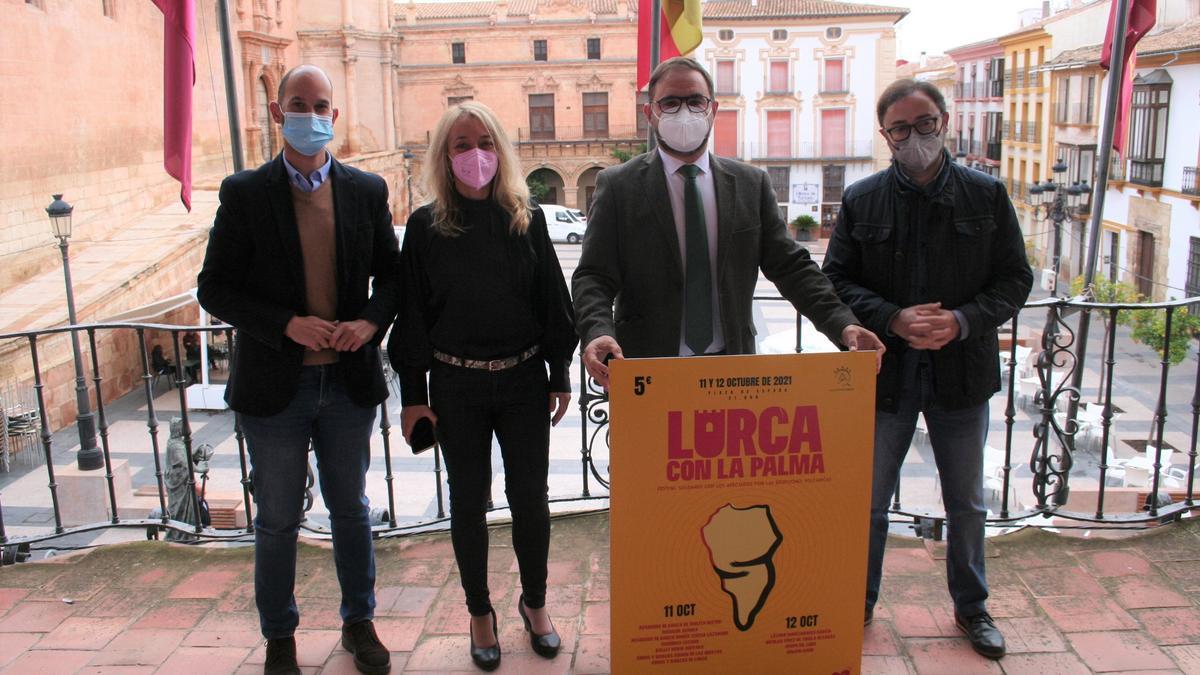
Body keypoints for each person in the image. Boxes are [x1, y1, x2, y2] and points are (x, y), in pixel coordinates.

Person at [196, 64, 399, 675]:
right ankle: (279, 636)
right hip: (276, 388)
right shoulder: (246, 193)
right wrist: (285, 323)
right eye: (298, 104)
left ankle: (358, 624)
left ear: (333, 116)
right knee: (279, 517)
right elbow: (216, 288)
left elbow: (393, 278)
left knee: (350, 509)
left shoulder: (366, 190)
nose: (310, 115)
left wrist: (368, 324)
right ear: (279, 112)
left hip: (346, 384)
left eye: (320, 105)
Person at [822, 78, 1033, 660]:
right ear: (884, 134)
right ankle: (856, 603)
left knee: (966, 502)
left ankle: (972, 608)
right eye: (900, 128)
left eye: (924, 124)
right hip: (884, 378)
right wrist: (891, 317)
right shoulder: (863, 199)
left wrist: (963, 320)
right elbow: (835, 279)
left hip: (961, 375)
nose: (914, 137)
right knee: (867, 501)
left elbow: (1016, 279)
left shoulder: (986, 196)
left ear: (945, 121)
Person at [388, 101, 577, 671]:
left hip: (522, 381)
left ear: (502, 150)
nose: (477, 156)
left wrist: (559, 372)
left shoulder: (528, 217)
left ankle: (535, 604)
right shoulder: (425, 227)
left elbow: (552, 300)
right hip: (455, 386)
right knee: (468, 506)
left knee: (531, 503)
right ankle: (479, 613)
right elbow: (412, 316)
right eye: (463, 145)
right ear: (445, 157)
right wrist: (414, 396)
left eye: (486, 143)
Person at [572, 57, 884, 384]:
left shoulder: (751, 184)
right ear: (650, 113)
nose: (684, 112)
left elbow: (791, 267)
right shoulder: (619, 185)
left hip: (731, 370)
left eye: (695, 101)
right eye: (670, 102)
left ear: (713, 109)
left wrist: (843, 323)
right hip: (646, 370)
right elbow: (594, 275)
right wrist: (596, 331)